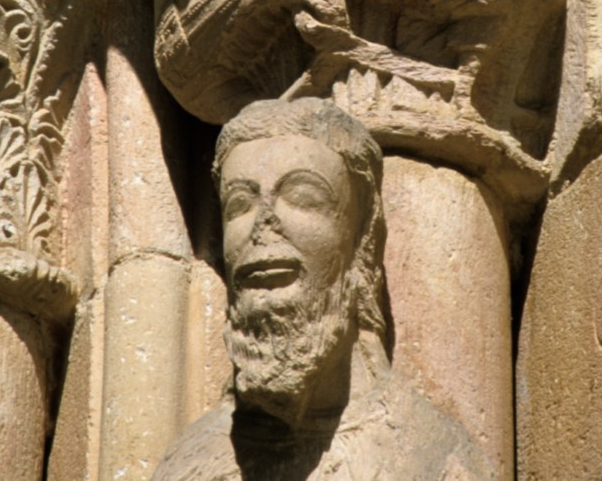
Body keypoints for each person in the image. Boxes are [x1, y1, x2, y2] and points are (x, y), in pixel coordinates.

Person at [153, 98, 497, 480]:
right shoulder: (188, 466)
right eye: (239, 204)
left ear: (362, 240)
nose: (263, 222)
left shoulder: (432, 458)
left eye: (302, 197)